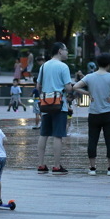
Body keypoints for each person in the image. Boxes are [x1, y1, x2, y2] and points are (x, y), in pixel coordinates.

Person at [72, 53, 110, 175]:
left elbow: (76, 86)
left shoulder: (89, 77)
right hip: (109, 113)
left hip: (94, 113)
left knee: (92, 140)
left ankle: (92, 168)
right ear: (109, 64)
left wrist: (87, 93)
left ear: (97, 64)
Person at [35, 42, 73, 174]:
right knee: (58, 135)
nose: (67, 52)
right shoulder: (63, 67)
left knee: (44, 134)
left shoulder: (44, 66)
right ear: (59, 51)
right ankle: (56, 166)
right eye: (66, 49)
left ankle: (41, 164)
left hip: (45, 104)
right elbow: (68, 87)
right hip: (59, 105)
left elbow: (38, 86)